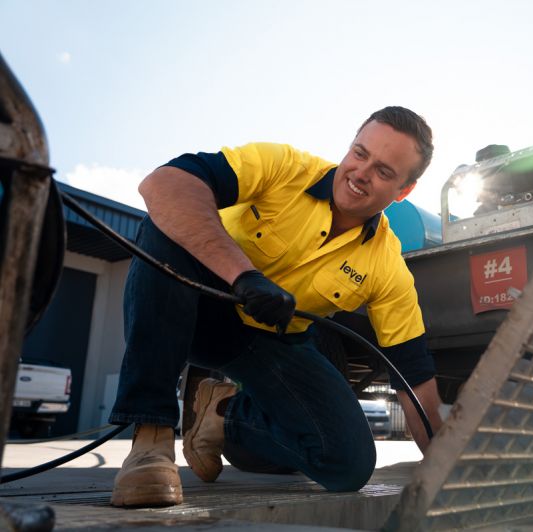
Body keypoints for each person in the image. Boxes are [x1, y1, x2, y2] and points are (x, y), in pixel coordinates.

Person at [108, 106, 444, 508]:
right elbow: (163, 183)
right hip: (193, 302)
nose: (361, 173)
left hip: (268, 344)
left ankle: (223, 416)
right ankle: (151, 441)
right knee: (166, 225)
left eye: (384, 172)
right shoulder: (284, 167)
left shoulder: (387, 266)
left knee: (348, 464)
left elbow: (414, 375)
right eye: (359, 153)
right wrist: (243, 275)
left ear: (403, 191)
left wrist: (446, 466)